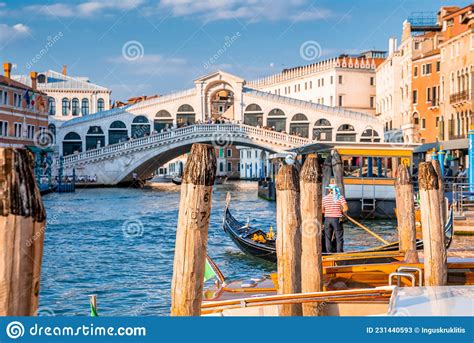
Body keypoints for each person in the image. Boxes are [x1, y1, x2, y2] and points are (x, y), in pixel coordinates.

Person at [322, 184, 349, 253]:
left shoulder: (324, 198)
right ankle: (339, 252)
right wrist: (340, 211)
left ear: (329, 190)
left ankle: (329, 252)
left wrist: (328, 211)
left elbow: (322, 210)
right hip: (336, 219)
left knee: (327, 237)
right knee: (339, 237)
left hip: (327, 219)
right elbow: (346, 208)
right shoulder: (340, 197)